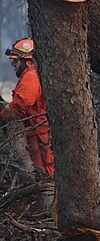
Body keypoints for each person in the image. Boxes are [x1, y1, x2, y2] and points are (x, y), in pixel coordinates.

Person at [0, 38, 54, 177]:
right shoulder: (33, 75)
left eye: (15, 61)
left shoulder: (31, 76)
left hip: (38, 135)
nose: (13, 65)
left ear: (27, 61)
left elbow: (22, 102)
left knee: (43, 174)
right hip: (35, 133)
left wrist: (4, 115)